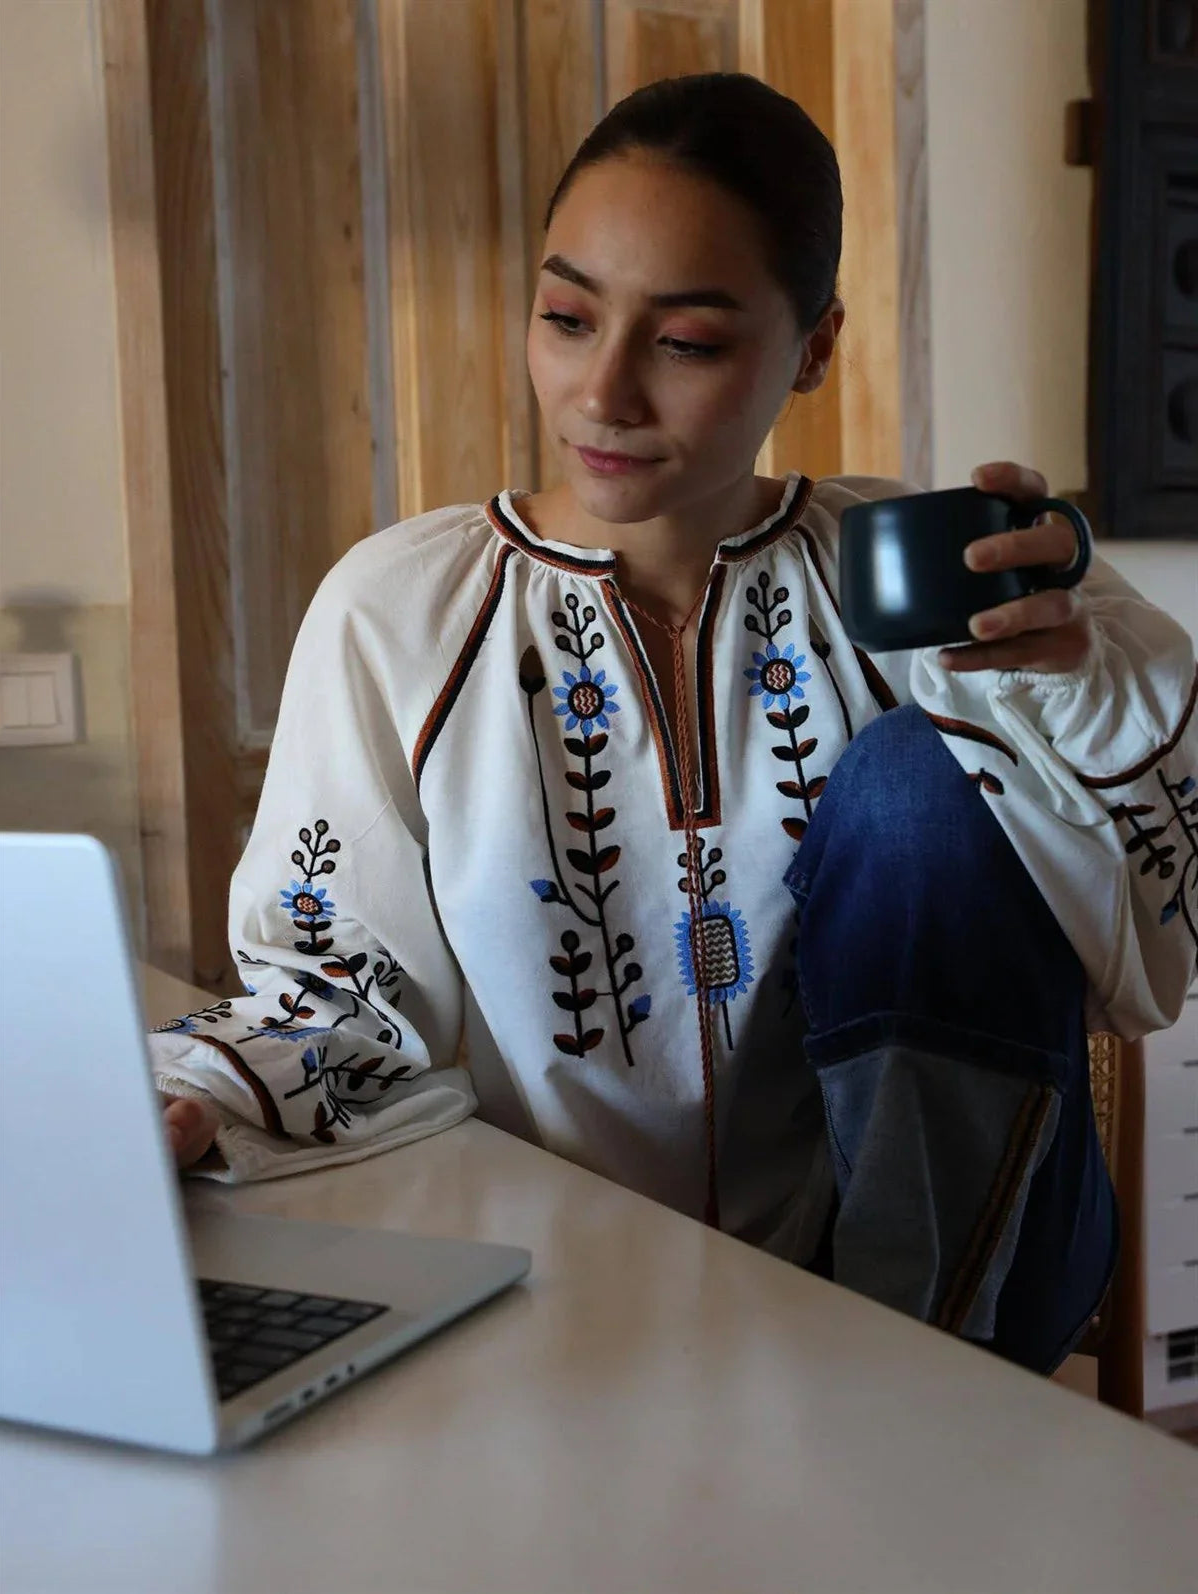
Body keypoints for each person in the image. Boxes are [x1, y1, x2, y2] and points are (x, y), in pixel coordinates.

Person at [152, 73, 1197, 1372]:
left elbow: (1148, 960)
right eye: (566, 317)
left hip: (950, 1303)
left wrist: (1059, 674)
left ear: (814, 347)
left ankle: (913, 1392)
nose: (604, 393)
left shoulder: (922, 578)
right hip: (565, 1302)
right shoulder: (398, 613)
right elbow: (344, 983)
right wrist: (196, 1091)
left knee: (922, 785)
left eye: (686, 343)